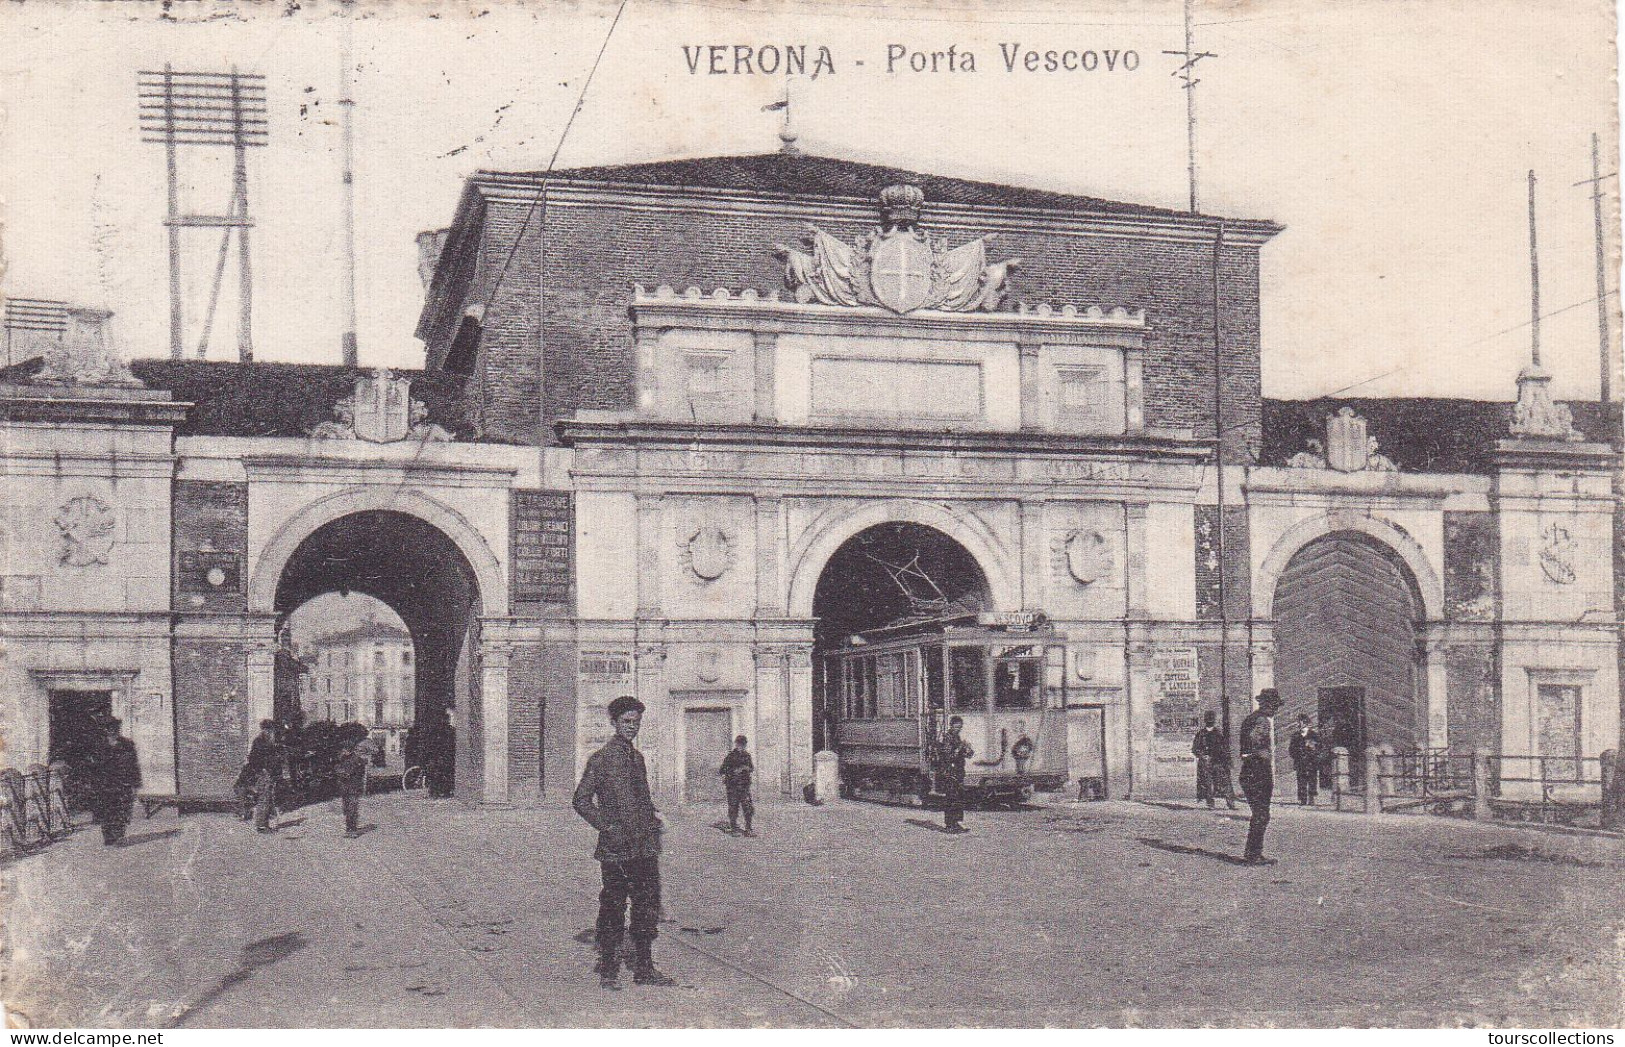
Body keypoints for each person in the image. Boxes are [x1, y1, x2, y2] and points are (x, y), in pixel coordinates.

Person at [573, 696, 676, 990]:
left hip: (644, 845)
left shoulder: (638, 758)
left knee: (646, 907)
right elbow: (580, 800)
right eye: (627, 722)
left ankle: (644, 969)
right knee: (613, 907)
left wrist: (655, 817)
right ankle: (609, 970)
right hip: (616, 849)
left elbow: (642, 799)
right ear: (614, 722)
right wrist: (607, 826)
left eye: (636, 722)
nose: (632, 727)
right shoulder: (601, 759)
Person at [1238, 689, 1284, 865]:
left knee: (1260, 814)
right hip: (1258, 771)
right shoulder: (1262, 721)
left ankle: (1253, 852)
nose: (1276, 710)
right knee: (1261, 814)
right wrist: (1263, 757)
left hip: (1249, 771)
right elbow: (1256, 744)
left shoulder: (1250, 719)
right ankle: (1253, 855)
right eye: (1275, 706)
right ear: (1268, 705)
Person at [90, 718, 141, 845]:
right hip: (104, 784)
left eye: (115, 728)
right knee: (106, 810)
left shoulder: (128, 744)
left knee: (122, 809)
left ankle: (119, 835)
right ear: (106, 730)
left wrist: (135, 785)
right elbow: (93, 767)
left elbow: (134, 765)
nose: (113, 730)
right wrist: (93, 784)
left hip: (122, 783)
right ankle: (108, 836)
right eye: (110, 728)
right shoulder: (99, 746)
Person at [243, 719, 285, 833]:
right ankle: (261, 826)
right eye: (270, 730)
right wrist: (262, 769)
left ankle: (265, 823)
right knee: (264, 799)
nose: (271, 732)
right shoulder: (260, 742)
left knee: (267, 798)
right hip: (263, 774)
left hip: (267, 773)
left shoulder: (266, 741)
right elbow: (253, 759)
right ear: (266, 730)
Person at [1191, 711, 1238, 810]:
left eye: (1211, 719)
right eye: (1208, 719)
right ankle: (1210, 804)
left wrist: (1227, 761)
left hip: (1218, 762)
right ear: (1205, 720)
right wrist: (1202, 756)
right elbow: (1195, 749)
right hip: (1206, 763)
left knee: (1225, 782)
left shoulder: (1218, 734)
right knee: (1208, 783)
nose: (1210, 721)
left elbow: (1225, 748)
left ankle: (1231, 803)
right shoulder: (1200, 734)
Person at [937, 716, 974, 834]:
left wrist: (968, 750)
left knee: (958, 797)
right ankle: (949, 824)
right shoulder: (947, 738)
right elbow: (948, 756)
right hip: (950, 772)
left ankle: (956, 823)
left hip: (958, 771)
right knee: (951, 798)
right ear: (951, 726)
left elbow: (965, 754)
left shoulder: (957, 737)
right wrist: (960, 748)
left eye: (960, 727)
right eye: (956, 726)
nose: (958, 729)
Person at [719, 735, 755, 836]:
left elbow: (751, 768)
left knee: (748, 808)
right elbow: (722, 770)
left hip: (744, 786)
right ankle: (734, 829)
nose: (742, 746)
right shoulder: (730, 756)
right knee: (733, 808)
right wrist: (733, 771)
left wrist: (745, 768)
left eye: (743, 744)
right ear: (736, 744)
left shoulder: (747, 755)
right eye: (740, 744)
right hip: (733, 786)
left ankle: (748, 829)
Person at [334, 741, 368, 838]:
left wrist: (339, 771)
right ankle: (349, 829)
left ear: (348, 750)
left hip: (353, 788)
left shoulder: (356, 760)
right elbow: (338, 769)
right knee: (346, 809)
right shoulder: (344, 759)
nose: (342, 751)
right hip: (345, 788)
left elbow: (347, 773)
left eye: (344, 750)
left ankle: (352, 830)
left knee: (352, 810)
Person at [1287, 714, 1323, 807]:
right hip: (1300, 762)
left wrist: (1313, 750)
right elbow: (1291, 749)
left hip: (1311, 761)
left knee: (1312, 780)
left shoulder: (1314, 735)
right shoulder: (1295, 735)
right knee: (1301, 780)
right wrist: (1296, 756)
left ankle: (1312, 799)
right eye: (1298, 722)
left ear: (1305, 723)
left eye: (1299, 722)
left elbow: (1320, 747)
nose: (1298, 724)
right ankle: (1303, 799)